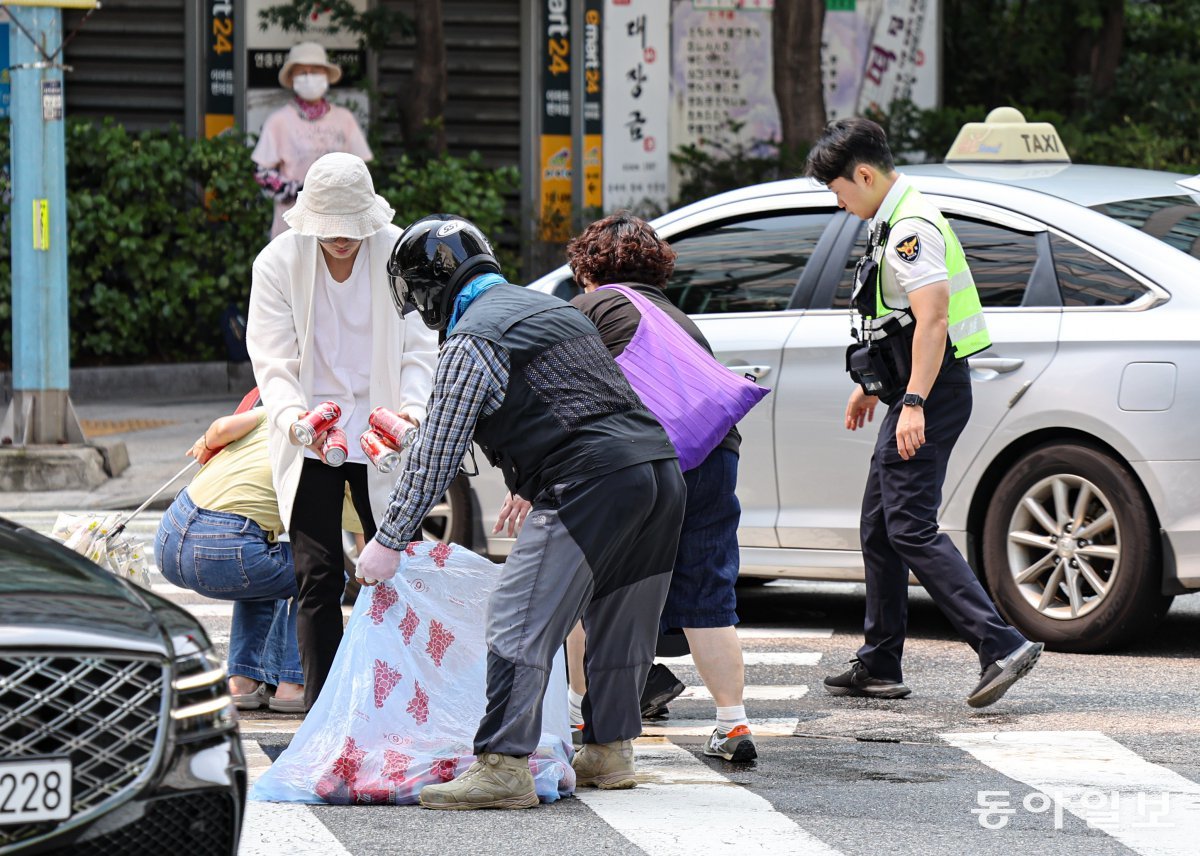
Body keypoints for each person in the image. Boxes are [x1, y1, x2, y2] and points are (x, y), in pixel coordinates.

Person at [354, 214, 686, 811]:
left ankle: (503, 765)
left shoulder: (474, 335)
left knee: (515, 617)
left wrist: (390, 537)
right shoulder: (550, 308)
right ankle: (611, 753)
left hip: (588, 480)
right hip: (657, 471)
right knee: (620, 620)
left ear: (432, 286)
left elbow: (436, 456)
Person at [804, 117, 1043, 708]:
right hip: (917, 389)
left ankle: (1001, 644)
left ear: (863, 174)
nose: (838, 203)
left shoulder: (911, 227)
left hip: (932, 394)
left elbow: (933, 320)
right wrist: (877, 387)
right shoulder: (893, 216)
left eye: (838, 190)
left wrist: (911, 402)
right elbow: (898, 321)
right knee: (879, 526)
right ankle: (880, 661)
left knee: (907, 526)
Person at [553, 211, 755, 762]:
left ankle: (578, 709)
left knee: (592, 587)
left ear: (589, 268)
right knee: (708, 594)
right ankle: (733, 725)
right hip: (714, 456)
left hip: (643, 465)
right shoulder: (679, 318)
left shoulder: (594, 306)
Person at [246, 153, 437, 712]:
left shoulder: (398, 253)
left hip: (384, 424)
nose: (340, 240)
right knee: (317, 575)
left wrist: (412, 411)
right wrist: (291, 420)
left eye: (351, 229)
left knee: (399, 567)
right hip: (313, 426)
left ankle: (407, 701)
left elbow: (420, 347)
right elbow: (273, 359)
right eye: (329, 229)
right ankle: (323, 708)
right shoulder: (278, 261)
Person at [251, 42, 372, 239]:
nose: (309, 77)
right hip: (293, 225)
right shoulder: (279, 121)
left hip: (339, 226)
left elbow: (361, 169)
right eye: (302, 72)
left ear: (325, 74)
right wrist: (295, 190)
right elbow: (261, 171)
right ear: (292, 79)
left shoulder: (344, 119)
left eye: (315, 71)